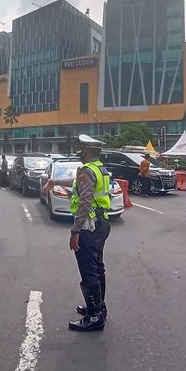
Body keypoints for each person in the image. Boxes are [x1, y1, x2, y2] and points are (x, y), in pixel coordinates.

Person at [42, 134, 111, 331]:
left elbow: (85, 200)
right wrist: (55, 181)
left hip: (89, 227)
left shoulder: (87, 170)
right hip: (101, 224)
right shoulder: (99, 168)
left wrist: (75, 231)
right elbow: (78, 184)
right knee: (98, 268)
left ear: (88, 151)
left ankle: (95, 317)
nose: (79, 152)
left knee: (89, 271)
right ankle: (98, 307)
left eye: (82, 149)